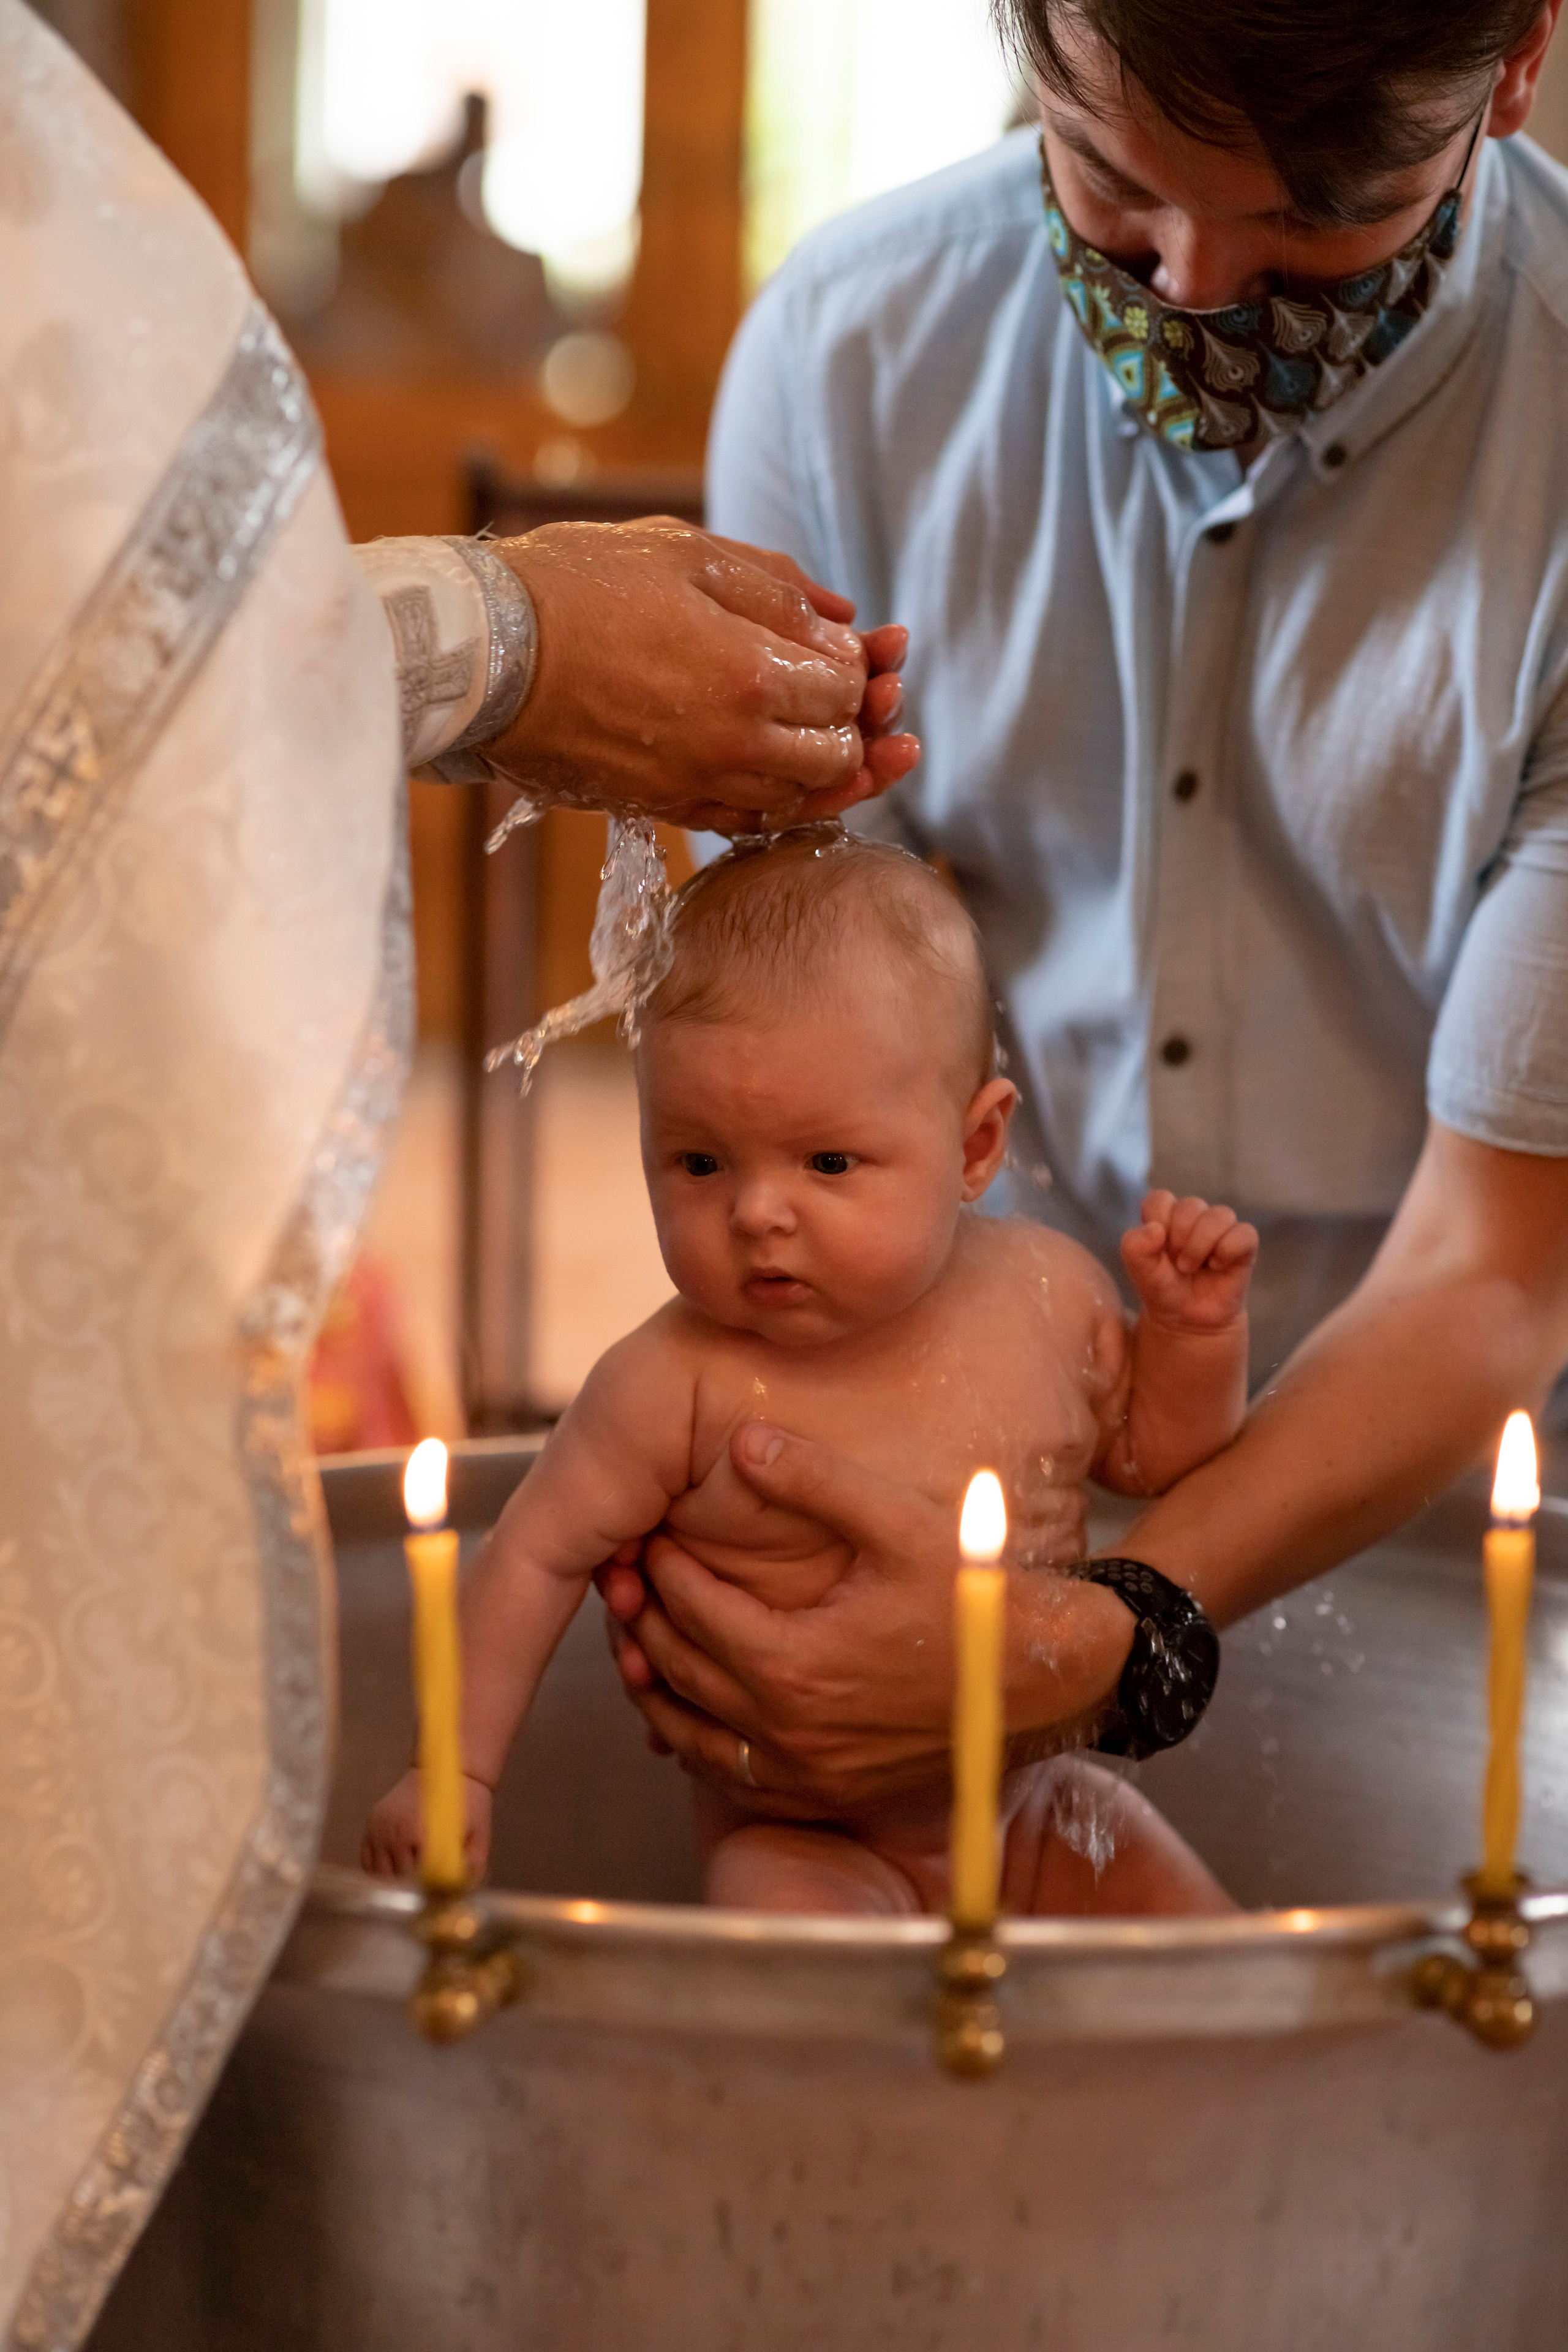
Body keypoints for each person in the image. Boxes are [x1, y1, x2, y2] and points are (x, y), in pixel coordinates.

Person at [590, 0, 1568, 1835]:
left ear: (1515, 66)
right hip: (955, 1458)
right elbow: (786, 1051)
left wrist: (1118, 1629)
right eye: (1112, 183)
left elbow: (1495, 1263)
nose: (1195, 286)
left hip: (1475, 1506)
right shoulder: (853, 358)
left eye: (1305, 228)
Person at [363, 831, 1248, 1918]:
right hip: (807, 1842)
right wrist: (456, 1768)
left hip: (1040, 1805)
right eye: (699, 1162)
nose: (758, 1212)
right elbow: (530, 1558)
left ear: (976, 1148)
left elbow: (1162, 1457)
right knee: (806, 2015)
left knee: (1205, 1959)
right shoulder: (667, 1386)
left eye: (828, 1163)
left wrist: (1195, 1338)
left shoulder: (1048, 1298)